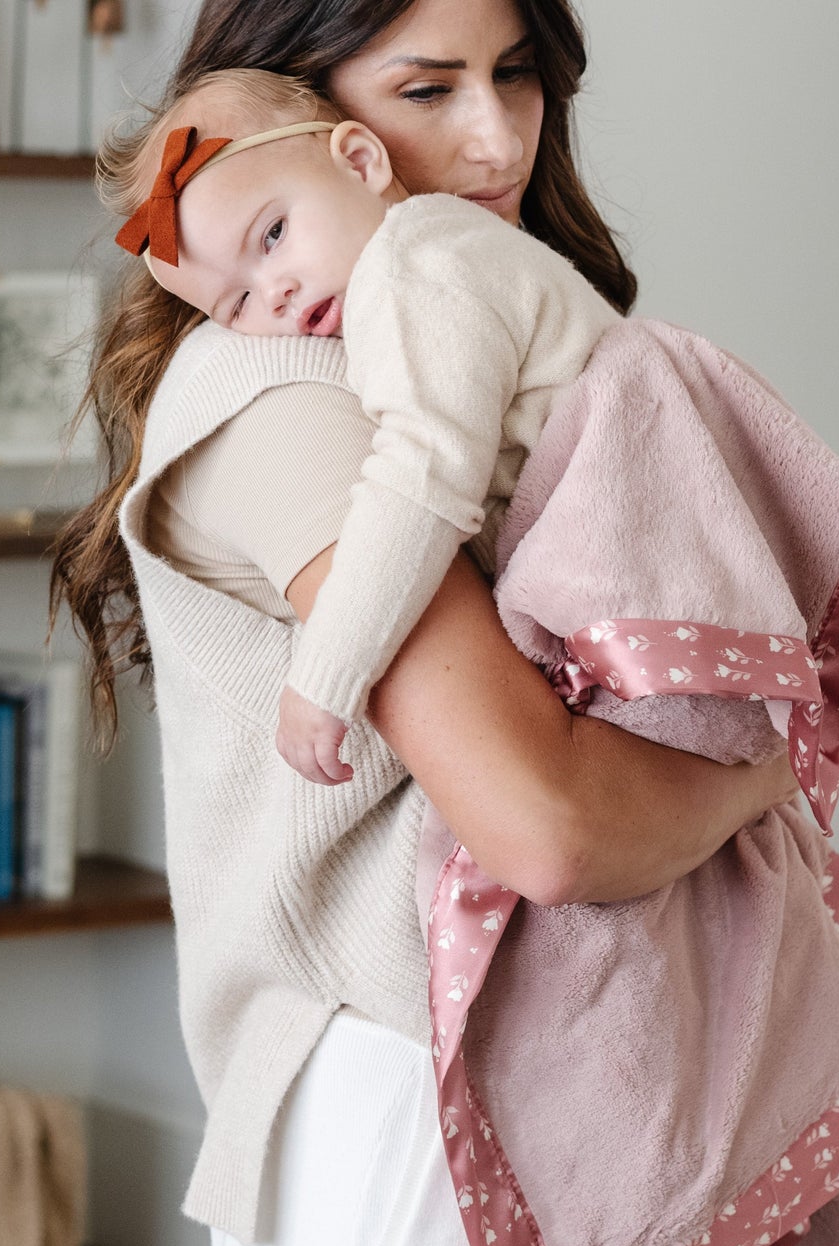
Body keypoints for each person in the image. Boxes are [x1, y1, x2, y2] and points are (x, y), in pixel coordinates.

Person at [49, 1, 800, 1246]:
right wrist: (757, 777)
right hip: (414, 1080)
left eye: (515, 76)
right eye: (428, 85)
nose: (495, 135)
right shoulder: (284, 390)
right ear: (311, 105)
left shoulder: (448, 329)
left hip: (557, 1067)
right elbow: (552, 824)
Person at [116, 68, 621, 786]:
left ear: (359, 162)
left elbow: (420, 481)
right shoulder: (421, 266)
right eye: (236, 303)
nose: (276, 292)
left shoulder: (414, 271)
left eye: (274, 234)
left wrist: (325, 677)